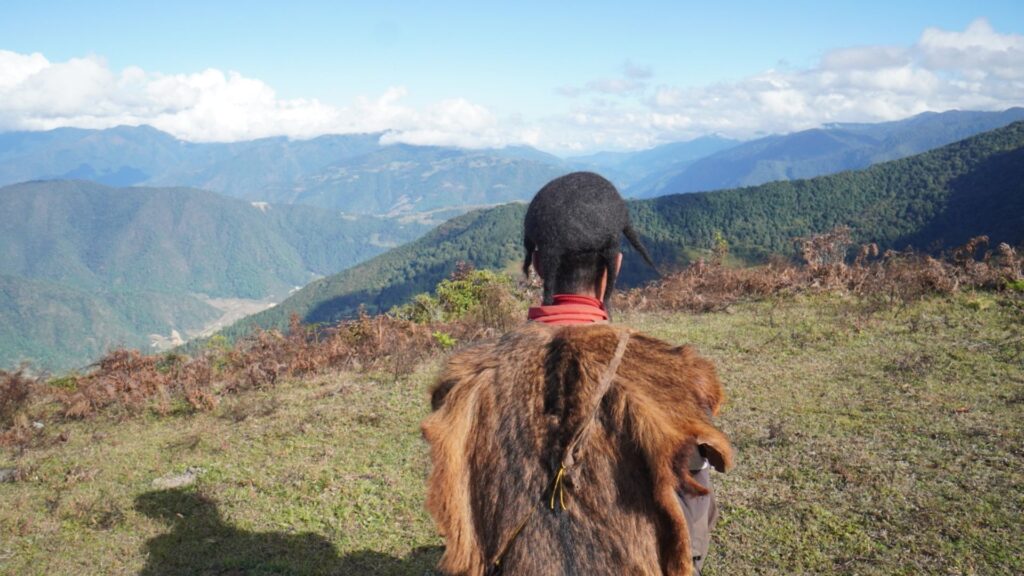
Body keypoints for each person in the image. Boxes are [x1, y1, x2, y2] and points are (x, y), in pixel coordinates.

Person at [422, 172, 732, 576]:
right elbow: (692, 518)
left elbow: (459, 515)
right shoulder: (673, 375)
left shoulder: (467, 383)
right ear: (615, 264)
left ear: (536, 264)